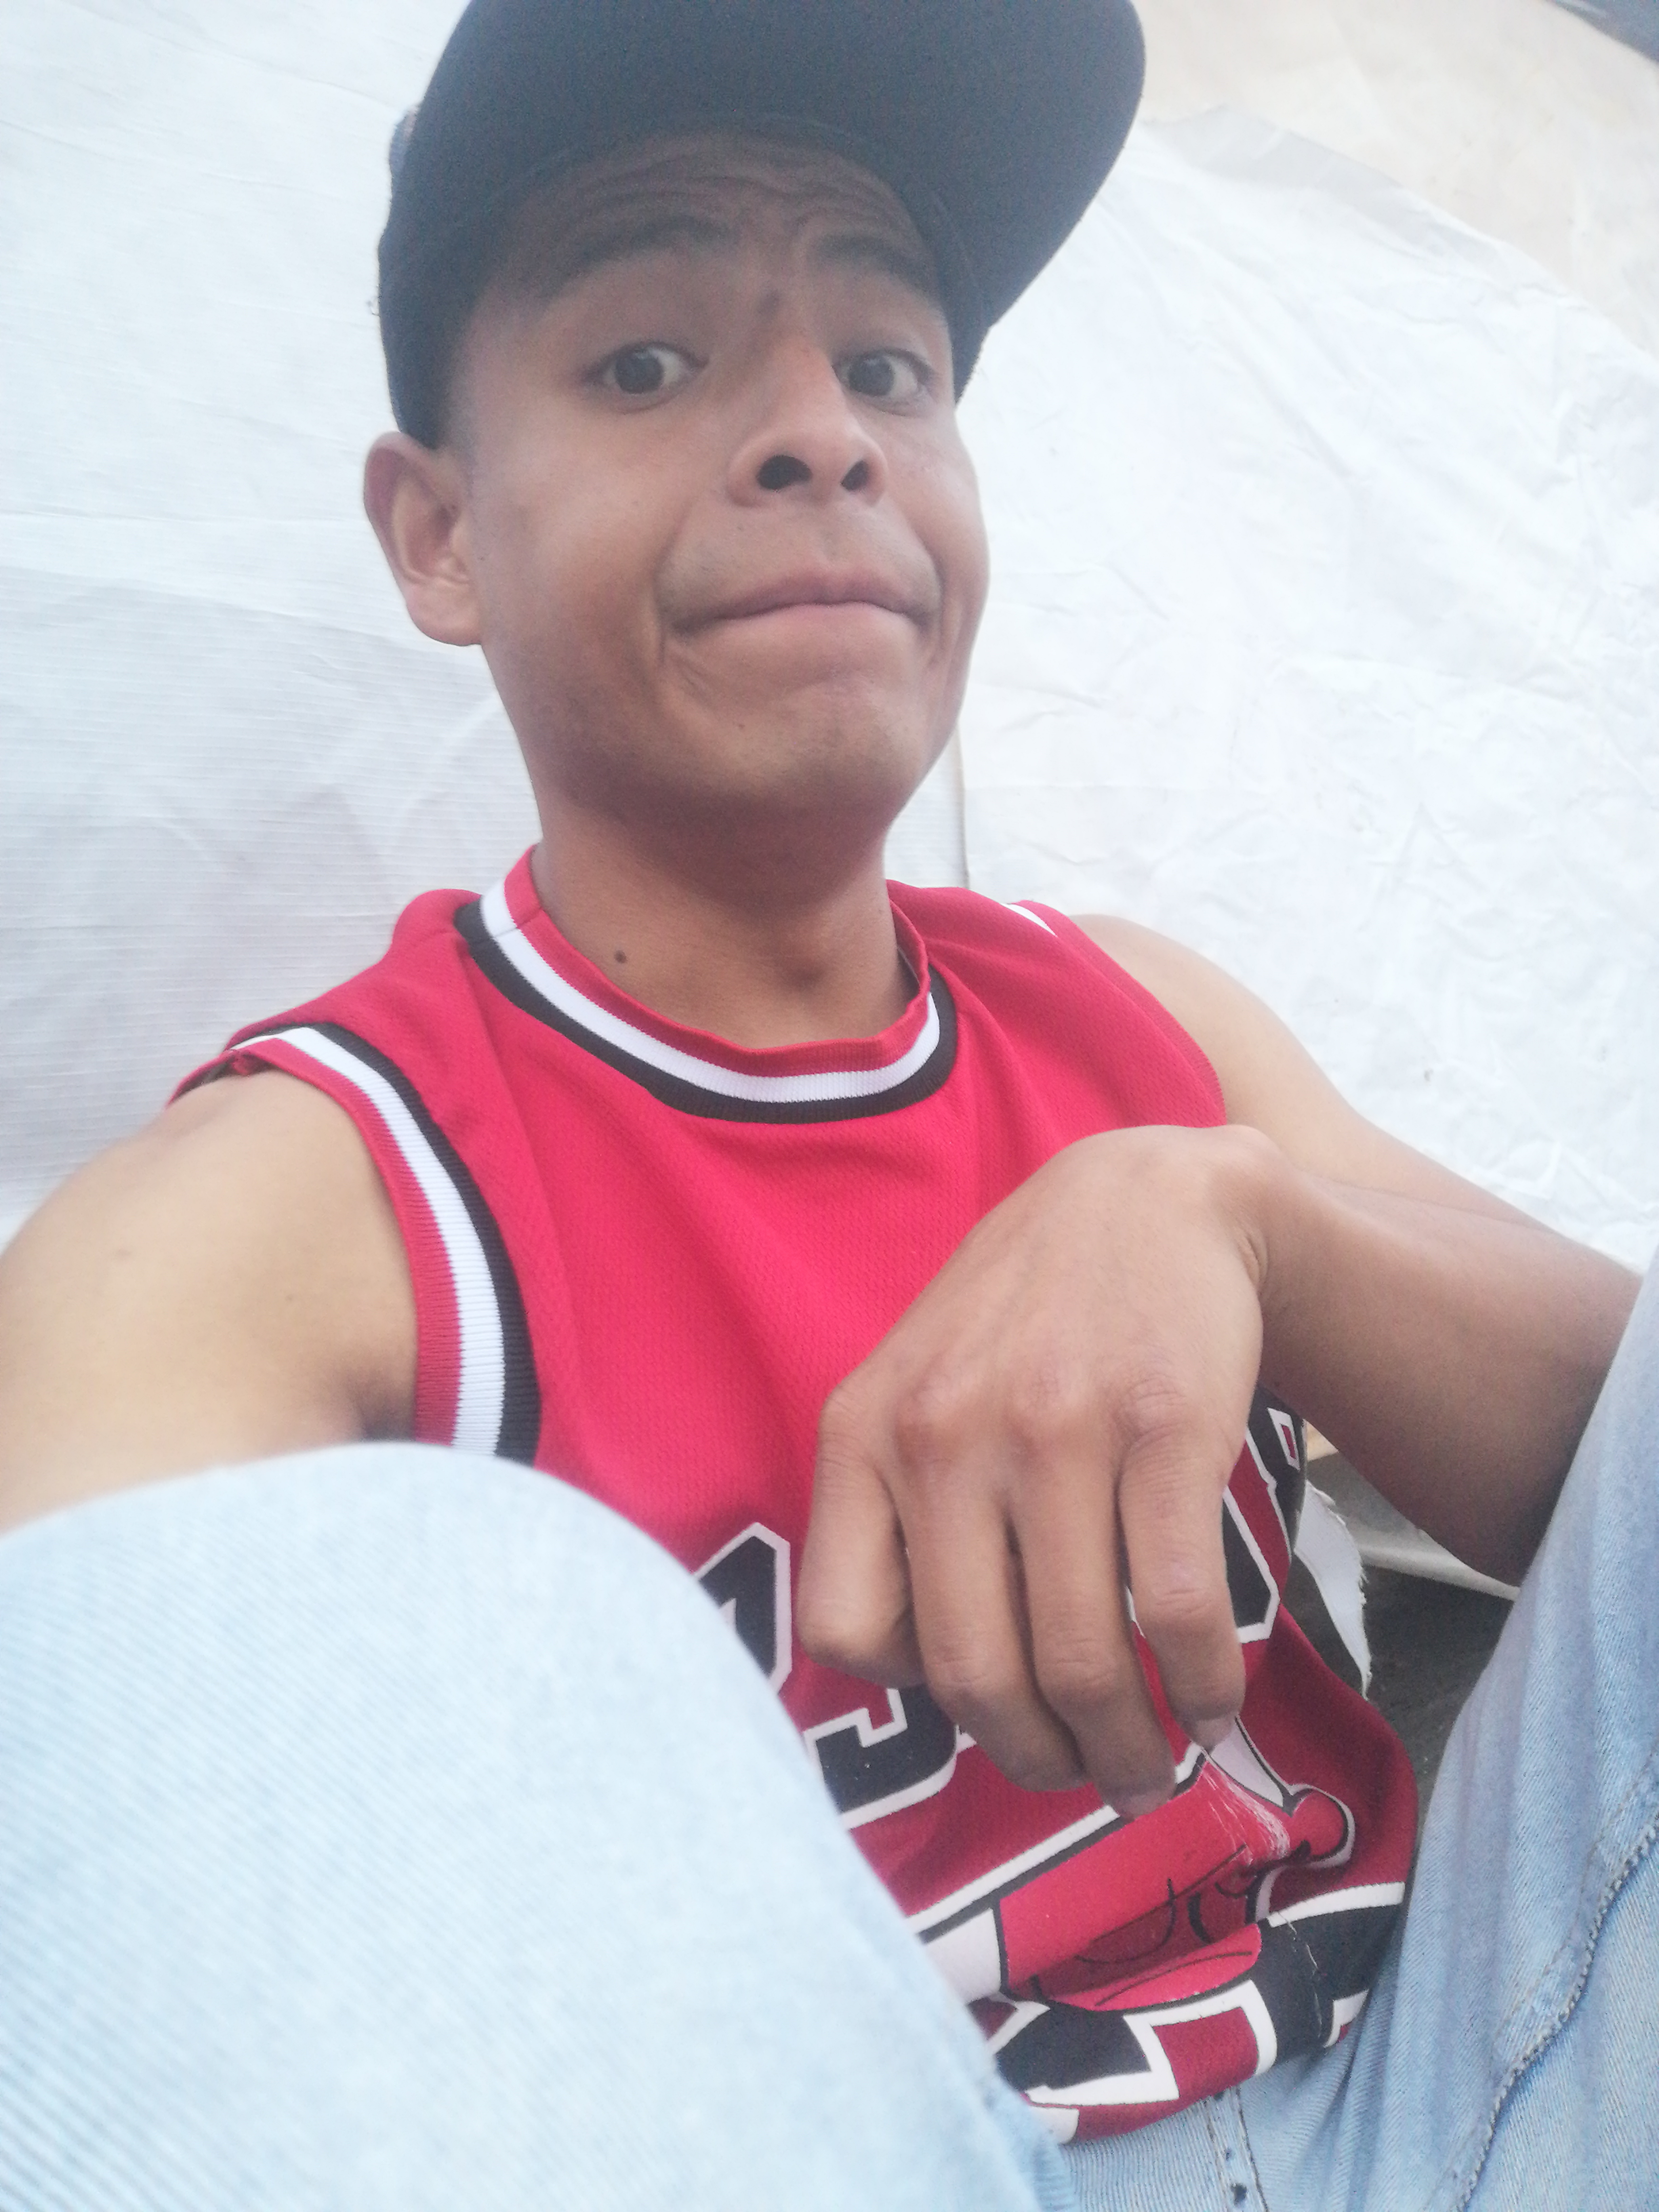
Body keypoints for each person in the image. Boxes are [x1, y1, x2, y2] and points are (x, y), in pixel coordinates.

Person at [0, 2, 1650, 2205]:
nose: (819, 436)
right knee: (396, 1609)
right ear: (438, 535)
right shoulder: (292, 1200)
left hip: (1456, 2073)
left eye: (890, 367)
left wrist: (1250, 1222)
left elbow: (1612, 1475)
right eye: (646, 365)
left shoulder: (1136, 1021)